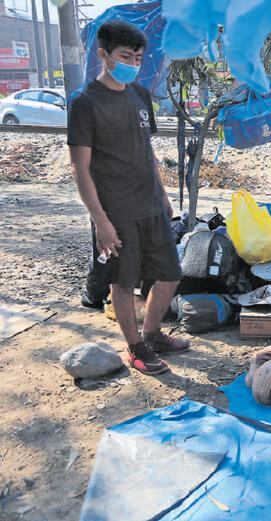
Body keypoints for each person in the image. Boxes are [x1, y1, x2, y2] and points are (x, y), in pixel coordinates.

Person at [67, 20, 188, 375]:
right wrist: (101, 221)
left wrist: (162, 194)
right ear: (103, 54)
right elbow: (80, 168)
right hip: (116, 210)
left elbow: (147, 151)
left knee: (170, 274)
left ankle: (152, 335)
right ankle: (135, 347)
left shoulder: (139, 95)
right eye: (125, 56)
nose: (132, 64)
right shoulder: (85, 102)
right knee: (122, 281)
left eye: (137, 58)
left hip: (151, 204)